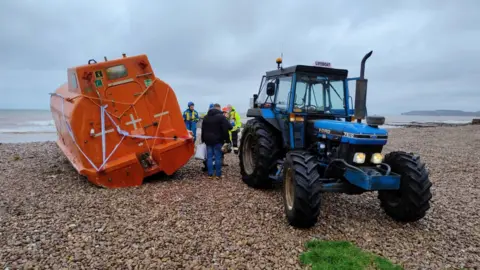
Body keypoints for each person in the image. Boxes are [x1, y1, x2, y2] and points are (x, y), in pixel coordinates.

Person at [201, 103, 232, 179]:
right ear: (219, 109)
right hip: (218, 140)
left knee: (209, 157)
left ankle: (210, 174)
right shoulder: (221, 117)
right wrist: (227, 140)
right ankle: (218, 175)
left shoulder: (205, 117)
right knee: (218, 157)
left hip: (208, 140)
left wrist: (203, 139)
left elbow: (203, 130)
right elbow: (227, 128)